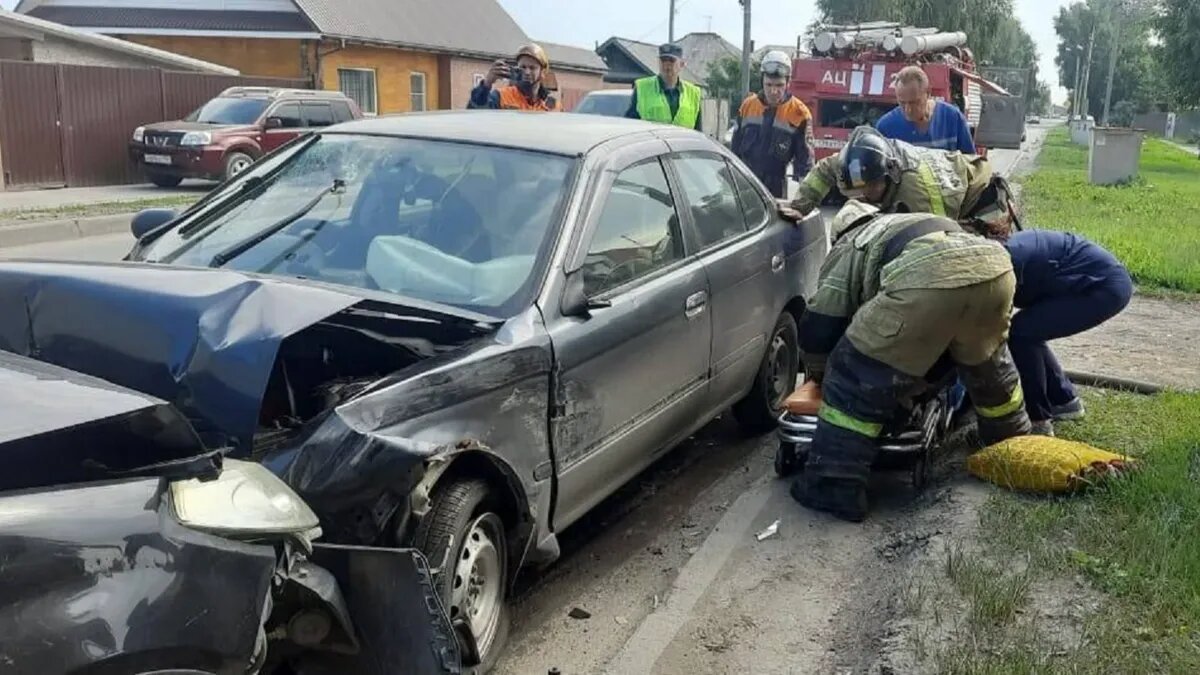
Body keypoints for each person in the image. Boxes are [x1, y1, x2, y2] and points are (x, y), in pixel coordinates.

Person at [792, 200, 1031, 522]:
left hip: (930, 276)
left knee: (852, 375)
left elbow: (822, 323)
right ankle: (1011, 444)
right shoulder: (909, 223)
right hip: (996, 270)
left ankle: (833, 485)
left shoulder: (852, 242)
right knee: (988, 367)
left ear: (841, 232)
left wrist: (821, 375)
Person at [1004, 229, 1133, 435]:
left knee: (1023, 333)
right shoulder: (1005, 254)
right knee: (1027, 329)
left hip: (1102, 287)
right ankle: (1064, 400)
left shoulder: (1007, 261)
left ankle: (1038, 421)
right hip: (1096, 281)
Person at [784, 126, 1018, 239]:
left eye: (870, 191)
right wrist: (799, 207)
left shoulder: (917, 196)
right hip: (953, 182)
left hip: (981, 196)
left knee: (984, 264)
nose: (864, 197)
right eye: (859, 193)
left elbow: (940, 239)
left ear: (889, 175)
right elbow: (824, 169)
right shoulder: (862, 157)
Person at [730, 50, 814, 198]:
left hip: (775, 188)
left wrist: (805, 199)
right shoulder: (747, 106)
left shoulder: (800, 113)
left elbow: (805, 163)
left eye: (779, 85)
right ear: (762, 80)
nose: (773, 91)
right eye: (768, 85)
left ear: (788, 83)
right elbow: (734, 150)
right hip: (745, 182)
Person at [876, 65, 976, 153]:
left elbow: (971, 164)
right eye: (902, 103)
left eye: (914, 103)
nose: (908, 110)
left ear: (928, 93)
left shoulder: (953, 119)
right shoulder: (886, 128)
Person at [625, 43, 703, 131]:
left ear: (681, 64)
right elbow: (630, 126)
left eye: (671, 60)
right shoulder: (642, 88)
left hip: (683, 144)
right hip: (653, 144)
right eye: (663, 60)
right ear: (658, 62)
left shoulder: (693, 92)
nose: (666, 65)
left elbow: (698, 131)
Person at [468, 44, 560, 111]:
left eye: (532, 68)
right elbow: (475, 112)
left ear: (542, 72)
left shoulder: (552, 106)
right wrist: (487, 84)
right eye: (523, 67)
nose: (527, 72)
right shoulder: (501, 97)